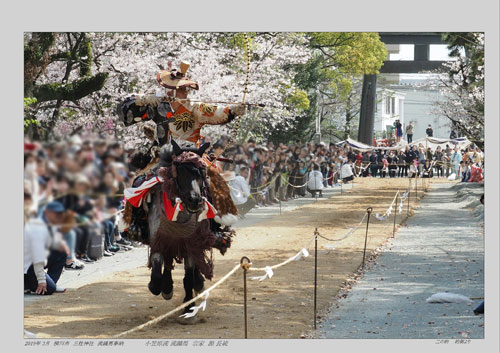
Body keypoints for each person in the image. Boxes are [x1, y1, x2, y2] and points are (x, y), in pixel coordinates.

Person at [24, 201, 71, 295]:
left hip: (38, 260)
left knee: (61, 252)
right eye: (56, 213)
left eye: (60, 213)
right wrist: (41, 280)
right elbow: (37, 257)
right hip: (28, 265)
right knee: (50, 289)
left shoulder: (51, 224)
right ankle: (31, 284)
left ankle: (49, 283)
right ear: (46, 213)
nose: (59, 216)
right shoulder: (38, 227)